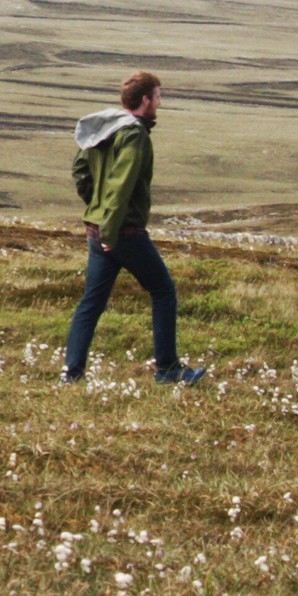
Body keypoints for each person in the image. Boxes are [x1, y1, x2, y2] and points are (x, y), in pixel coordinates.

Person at [61, 71, 205, 385]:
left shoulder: (104, 128)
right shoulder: (134, 134)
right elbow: (121, 185)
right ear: (145, 100)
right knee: (163, 291)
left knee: (92, 301)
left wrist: (96, 208)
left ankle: (71, 373)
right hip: (122, 232)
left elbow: (81, 170)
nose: (159, 102)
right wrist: (111, 230)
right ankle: (167, 369)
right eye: (158, 96)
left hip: (96, 228)